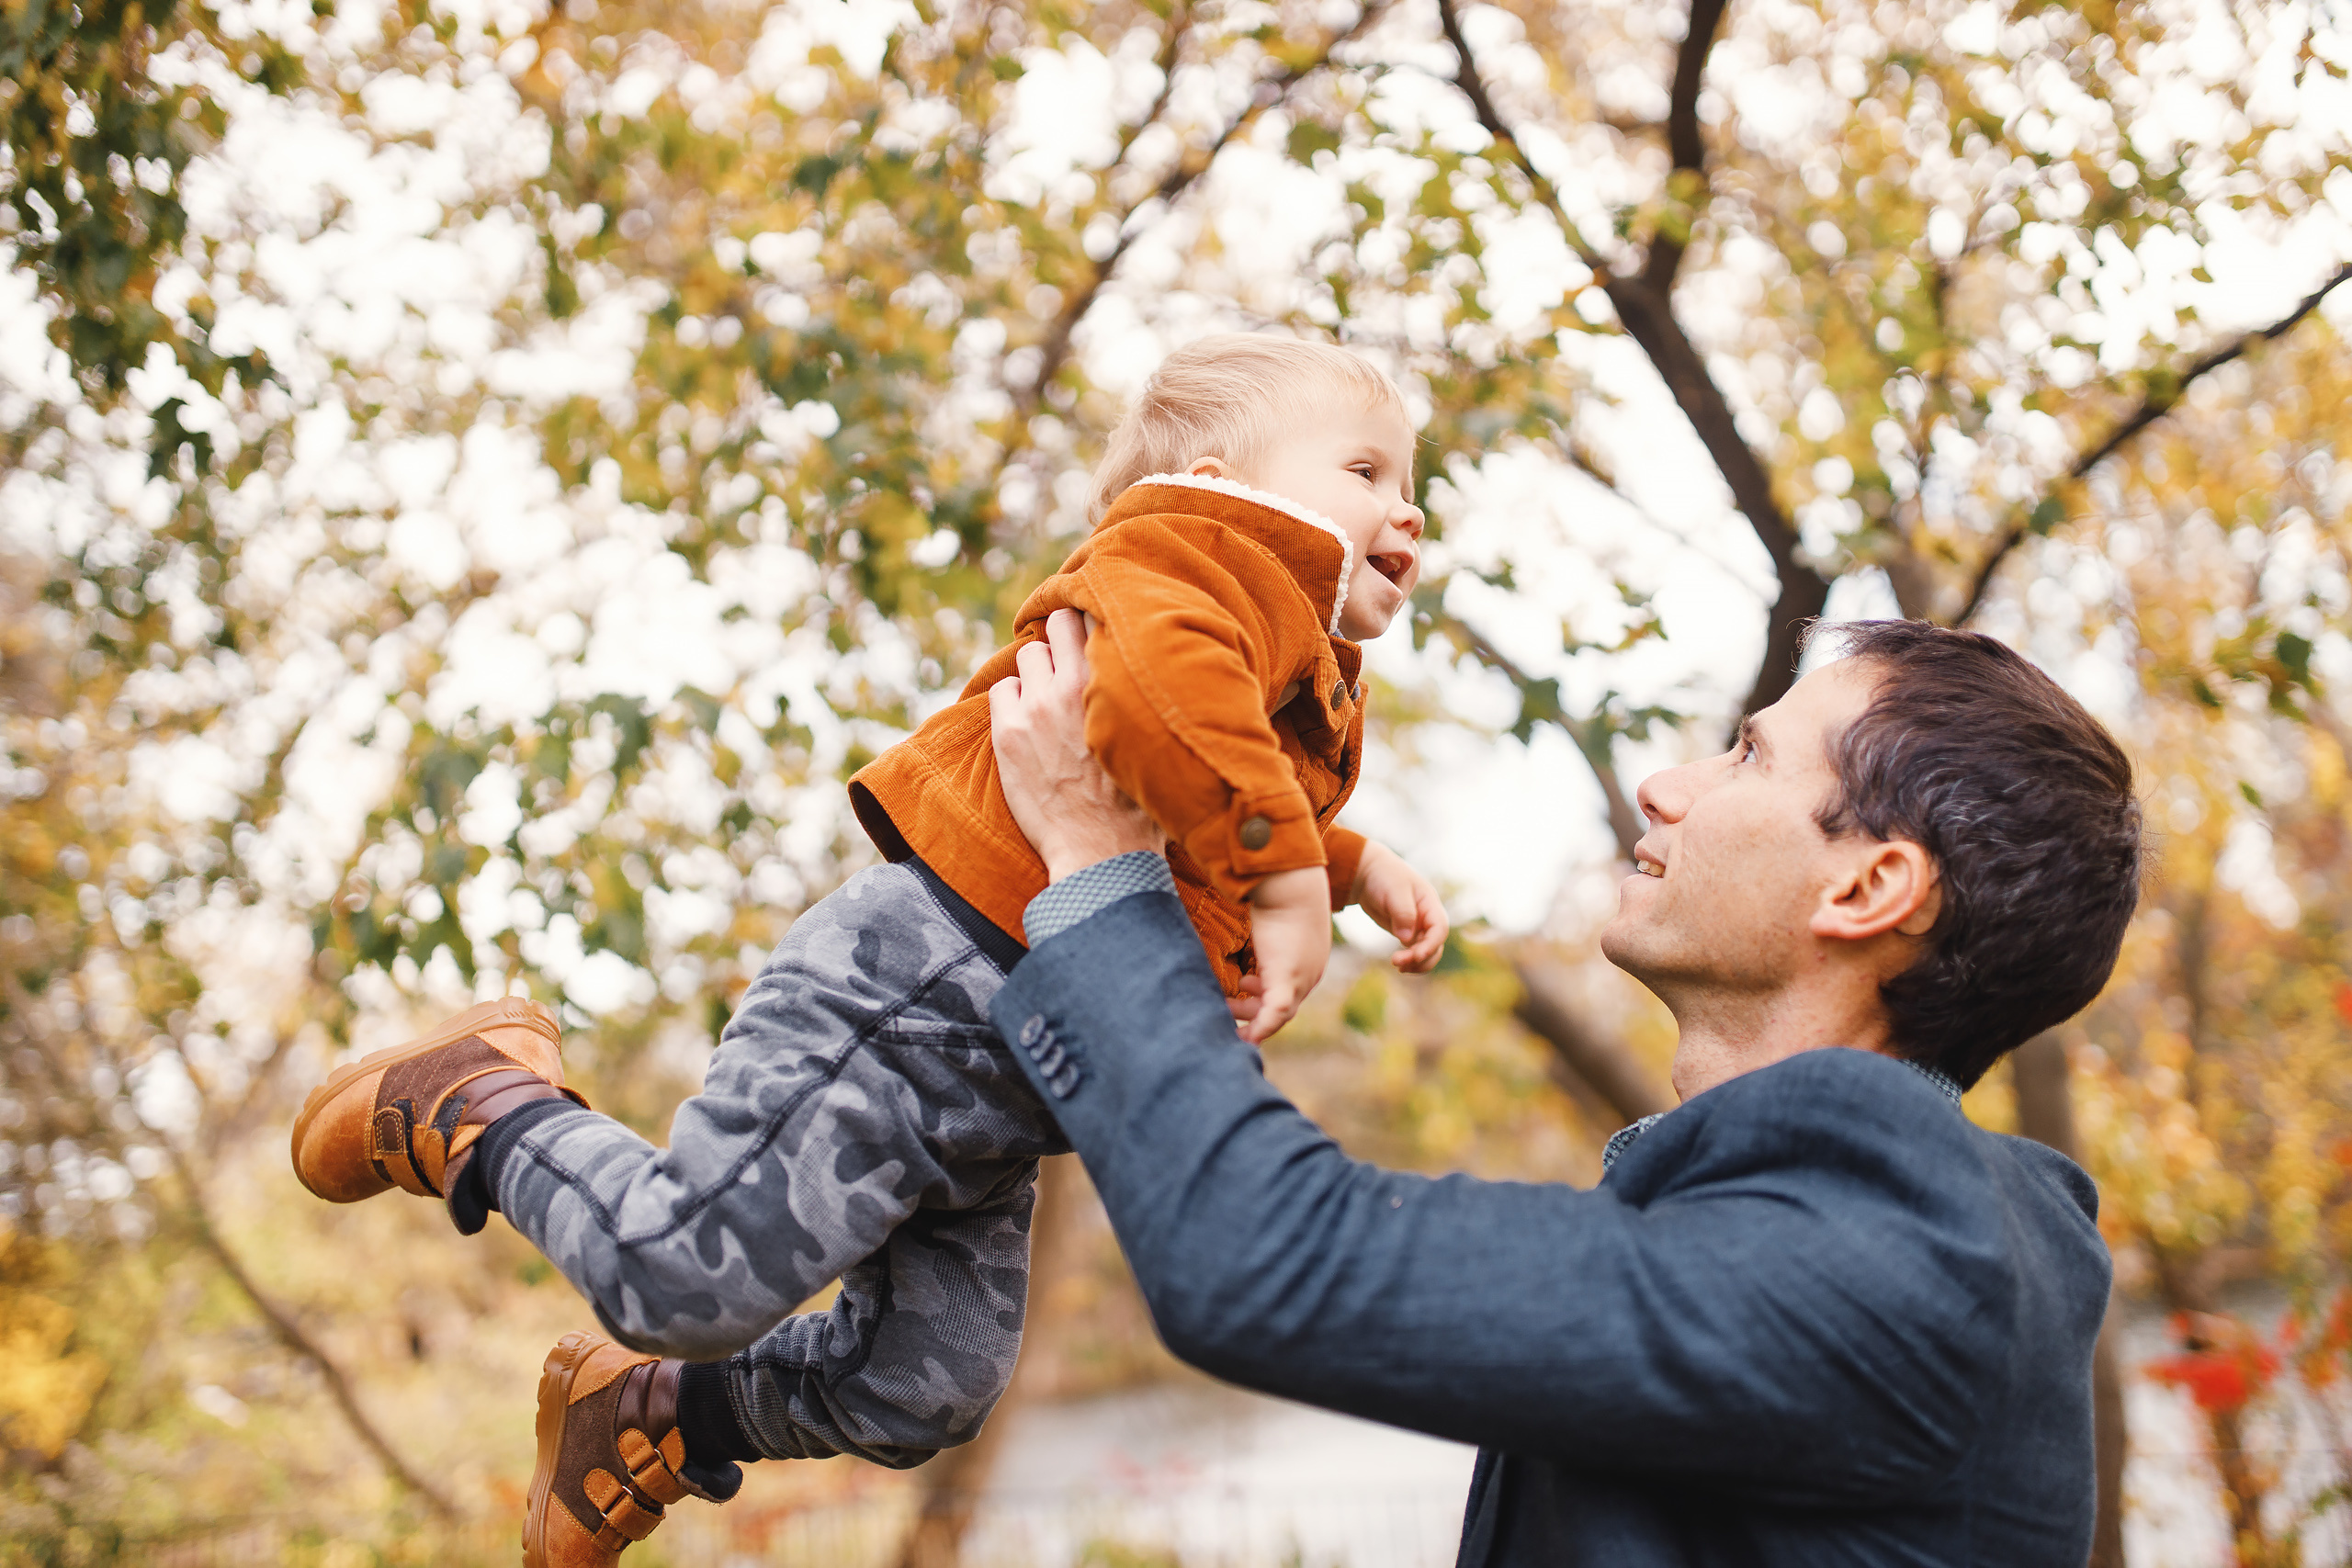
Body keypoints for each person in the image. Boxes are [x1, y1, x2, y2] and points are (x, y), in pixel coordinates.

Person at [285, 333, 1451, 1567]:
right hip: (921, 985)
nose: (1407, 505)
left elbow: (1189, 792)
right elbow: (1173, 703)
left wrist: (1344, 857)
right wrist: (1288, 868)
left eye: (1411, 481)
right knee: (682, 1277)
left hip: (1012, 1071)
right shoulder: (1191, 556)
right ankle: (474, 1098)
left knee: (924, 1390)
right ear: (1226, 478)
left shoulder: (1281, 672)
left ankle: (649, 1411)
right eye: (1367, 467)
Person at [978, 609, 2140, 1566]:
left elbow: (1267, 1253)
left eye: (1747, 756)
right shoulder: (1848, 1227)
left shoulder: (1914, 1244)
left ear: (1869, 886)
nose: (1663, 785)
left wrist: (1097, 865)